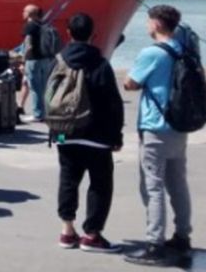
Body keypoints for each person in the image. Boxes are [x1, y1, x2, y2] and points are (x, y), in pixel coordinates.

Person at [123, 5, 194, 266]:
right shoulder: (183, 49)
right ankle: (183, 235)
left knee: (152, 187)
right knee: (178, 183)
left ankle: (155, 243)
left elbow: (131, 83)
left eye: (149, 21)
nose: (146, 25)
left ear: (157, 24)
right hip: (179, 124)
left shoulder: (151, 52)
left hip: (155, 125)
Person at [51, 13, 124, 253]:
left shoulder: (59, 60)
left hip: (64, 132)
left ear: (68, 33)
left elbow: (50, 94)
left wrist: (54, 131)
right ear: (93, 35)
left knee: (68, 179)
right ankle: (92, 234)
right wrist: (115, 136)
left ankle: (66, 231)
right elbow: (113, 103)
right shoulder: (101, 64)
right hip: (97, 135)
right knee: (100, 184)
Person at [23, 4, 53, 121]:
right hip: (45, 59)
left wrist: (24, 59)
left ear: (30, 14)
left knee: (35, 88)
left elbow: (28, 44)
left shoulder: (29, 26)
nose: (23, 13)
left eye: (24, 11)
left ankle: (37, 114)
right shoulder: (44, 24)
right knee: (45, 87)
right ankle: (46, 112)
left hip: (33, 60)